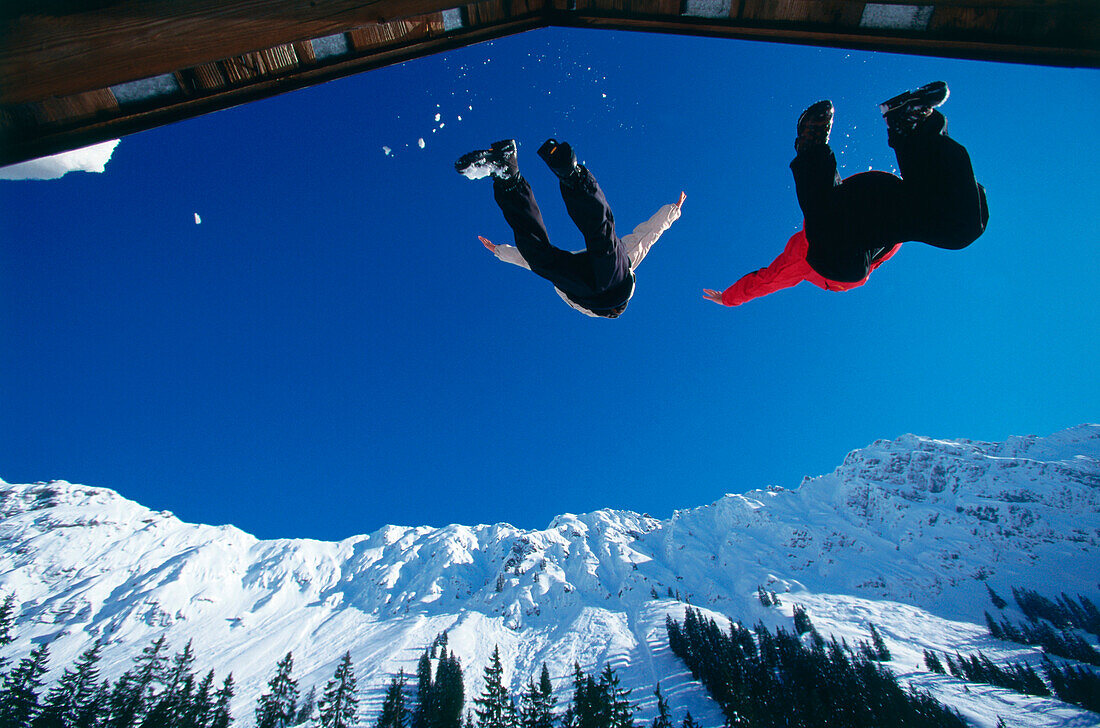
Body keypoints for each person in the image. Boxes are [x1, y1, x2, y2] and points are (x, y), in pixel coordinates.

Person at [704, 81, 988, 308]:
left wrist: (730, 298)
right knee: (962, 226)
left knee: (845, 266)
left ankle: (812, 150)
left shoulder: (802, 257)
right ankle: (910, 124)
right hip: (881, 199)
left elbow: (767, 280)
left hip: (857, 205)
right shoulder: (869, 242)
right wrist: (729, 297)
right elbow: (764, 281)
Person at [456, 138, 684, 318]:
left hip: (593, 287)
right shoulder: (625, 265)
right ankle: (572, 178)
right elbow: (648, 236)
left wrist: (501, 251)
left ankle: (508, 174)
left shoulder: (619, 263)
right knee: (587, 243)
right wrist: (672, 212)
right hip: (601, 286)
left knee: (589, 241)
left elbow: (646, 237)